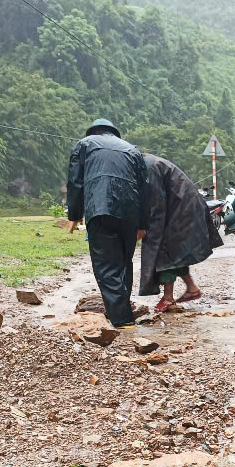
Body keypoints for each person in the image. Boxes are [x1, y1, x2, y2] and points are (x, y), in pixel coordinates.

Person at [65, 118, 149, 327]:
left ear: (92, 132)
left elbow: (75, 182)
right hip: (130, 213)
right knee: (123, 263)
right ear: (114, 133)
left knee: (106, 266)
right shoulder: (132, 150)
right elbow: (145, 189)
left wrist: (74, 215)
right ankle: (121, 311)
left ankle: (122, 320)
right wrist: (142, 224)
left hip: (100, 208)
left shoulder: (84, 144)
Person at [138, 153, 218, 313]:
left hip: (182, 209)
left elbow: (156, 204)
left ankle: (168, 298)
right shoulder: (147, 164)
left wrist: (145, 229)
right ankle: (192, 288)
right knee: (177, 251)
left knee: (165, 249)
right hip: (184, 206)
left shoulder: (149, 167)